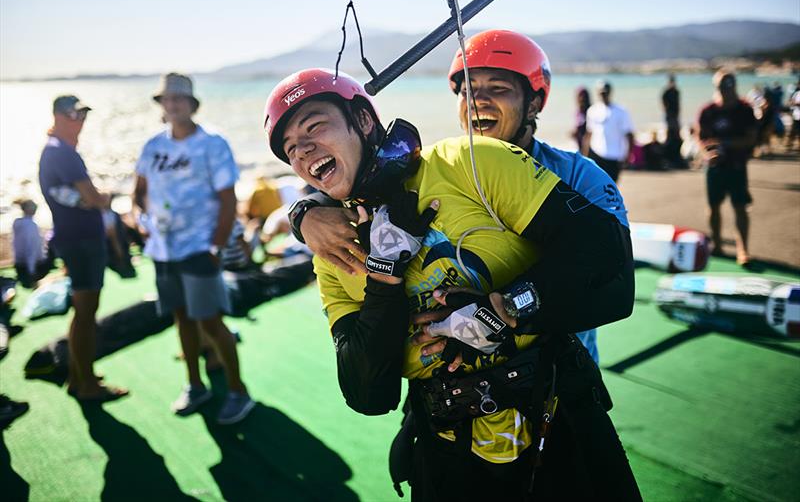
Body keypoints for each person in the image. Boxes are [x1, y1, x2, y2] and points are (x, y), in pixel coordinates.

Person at [264, 68, 639, 500]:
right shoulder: (335, 252)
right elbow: (367, 392)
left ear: (364, 121)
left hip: (560, 426)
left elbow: (607, 259)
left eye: (315, 126)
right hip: (449, 457)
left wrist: (506, 311)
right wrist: (385, 273)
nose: (304, 148)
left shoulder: (468, 162)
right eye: (291, 148)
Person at [133, 73, 254, 424]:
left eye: (179, 99)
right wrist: (141, 221)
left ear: (191, 104)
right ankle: (195, 384)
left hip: (200, 249)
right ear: (161, 105)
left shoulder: (213, 143)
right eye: (167, 100)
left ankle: (238, 391)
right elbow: (138, 194)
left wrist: (215, 246)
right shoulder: (153, 146)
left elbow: (227, 199)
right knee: (181, 319)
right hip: (163, 251)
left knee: (212, 323)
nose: (173, 105)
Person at [38, 95, 128, 401]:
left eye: (84, 115)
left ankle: (80, 376)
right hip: (81, 243)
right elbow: (93, 198)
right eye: (76, 115)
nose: (81, 122)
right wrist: (105, 195)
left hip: (73, 240)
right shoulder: (63, 153)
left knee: (83, 312)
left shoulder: (55, 151)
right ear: (60, 117)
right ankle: (86, 383)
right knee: (86, 314)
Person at [697, 69, 758, 266]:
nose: (726, 90)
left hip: (737, 166)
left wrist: (724, 144)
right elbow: (701, 138)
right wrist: (707, 153)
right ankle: (717, 245)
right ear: (716, 87)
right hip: (714, 167)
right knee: (713, 207)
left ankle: (743, 250)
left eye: (729, 85)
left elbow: (751, 139)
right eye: (722, 86)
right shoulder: (708, 111)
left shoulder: (744, 109)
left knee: (740, 207)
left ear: (735, 85)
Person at [583, 80, 635, 182]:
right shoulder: (592, 111)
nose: (604, 95)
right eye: (601, 93)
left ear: (610, 92)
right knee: (596, 185)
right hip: (596, 154)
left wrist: (628, 155)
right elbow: (589, 134)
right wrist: (584, 156)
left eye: (606, 92)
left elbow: (629, 135)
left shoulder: (621, 111)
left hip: (614, 156)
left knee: (611, 187)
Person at [12, 200, 49, 288]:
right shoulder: (30, 225)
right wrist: (32, 270)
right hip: (32, 266)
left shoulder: (18, 223)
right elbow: (31, 248)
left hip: (20, 265)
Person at [661, 74, 684, 167]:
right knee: (671, 135)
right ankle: (669, 157)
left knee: (676, 135)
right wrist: (668, 112)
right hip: (670, 116)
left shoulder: (676, 91)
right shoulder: (667, 92)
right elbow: (664, 103)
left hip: (675, 116)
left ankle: (675, 157)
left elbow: (678, 104)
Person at [572, 86, 591, 151]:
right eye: (580, 96)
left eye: (584, 96)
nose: (582, 98)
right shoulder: (578, 112)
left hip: (588, 146)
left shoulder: (591, 111)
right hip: (579, 144)